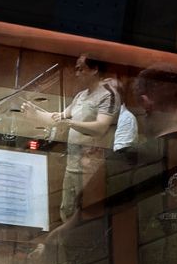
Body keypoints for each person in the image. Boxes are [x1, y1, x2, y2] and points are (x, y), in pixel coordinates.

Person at [25, 55, 120, 224]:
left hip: (92, 168)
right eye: (76, 69)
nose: (77, 74)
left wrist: (70, 123)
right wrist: (35, 114)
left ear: (95, 69)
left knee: (88, 215)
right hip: (72, 165)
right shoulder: (81, 96)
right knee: (68, 211)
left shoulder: (108, 95)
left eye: (81, 69)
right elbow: (59, 118)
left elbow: (101, 127)